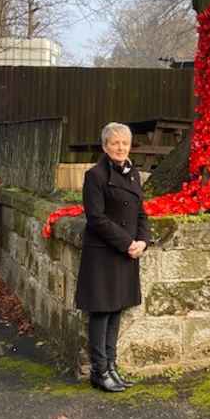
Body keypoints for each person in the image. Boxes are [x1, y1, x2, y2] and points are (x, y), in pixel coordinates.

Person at [75, 122, 149, 392]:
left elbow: (141, 213)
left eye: (124, 143)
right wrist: (127, 242)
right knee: (102, 311)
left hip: (127, 252)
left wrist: (143, 241)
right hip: (104, 253)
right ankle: (99, 370)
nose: (120, 148)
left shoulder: (134, 175)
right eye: (115, 143)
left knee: (116, 309)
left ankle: (112, 367)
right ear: (105, 146)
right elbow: (96, 218)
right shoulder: (95, 176)